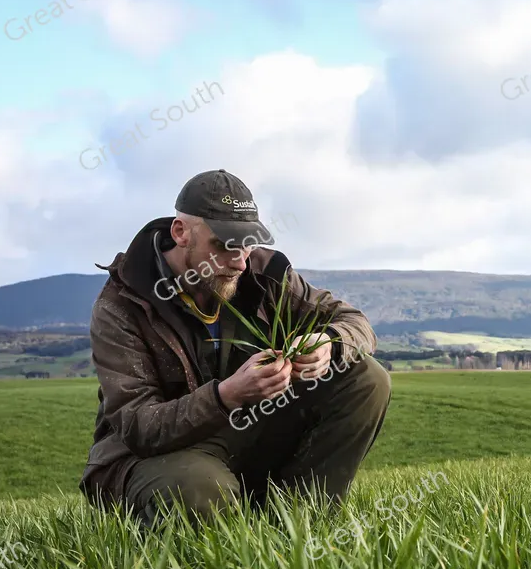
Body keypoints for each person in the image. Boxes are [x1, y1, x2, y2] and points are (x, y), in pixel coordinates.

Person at [80, 169, 391, 525]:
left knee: (366, 377)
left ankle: (298, 526)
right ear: (181, 233)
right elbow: (138, 426)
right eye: (224, 245)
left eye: (247, 243)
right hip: (158, 456)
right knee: (199, 491)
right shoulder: (123, 304)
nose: (240, 260)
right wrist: (226, 395)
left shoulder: (263, 272)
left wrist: (328, 344)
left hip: (245, 433)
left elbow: (355, 322)